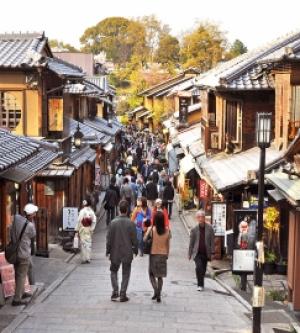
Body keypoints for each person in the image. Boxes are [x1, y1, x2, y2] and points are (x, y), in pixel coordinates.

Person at [106, 200, 138, 302]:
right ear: (127, 210)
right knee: (126, 273)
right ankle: (123, 293)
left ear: (119, 209)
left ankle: (115, 291)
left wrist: (108, 250)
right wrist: (136, 250)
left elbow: (109, 239)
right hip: (127, 252)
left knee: (113, 271)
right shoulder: (131, 223)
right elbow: (134, 239)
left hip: (115, 251)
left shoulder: (113, 223)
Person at [10, 203, 37, 306]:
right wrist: (31, 222)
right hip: (24, 253)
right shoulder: (30, 225)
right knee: (21, 275)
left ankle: (21, 292)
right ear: (30, 214)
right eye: (34, 213)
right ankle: (17, 299)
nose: (35, 214)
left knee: (18, 273)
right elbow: (33, 234)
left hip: (15, 252)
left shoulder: (16, 219)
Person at [144, 211, 170, 303]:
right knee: (160, 276)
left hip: (153, 254)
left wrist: (146, 231)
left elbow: (144, 239)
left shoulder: (152, 229)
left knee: (151, 274)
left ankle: (156, 291)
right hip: (163, 255)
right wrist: (167, 254)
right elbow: (168, 244)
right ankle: (158, 293)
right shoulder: (167, 230)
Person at [188, 210, 215, 291]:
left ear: (204, 218)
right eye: (199, 217)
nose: (200, 219)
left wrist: (212, 252)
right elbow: (191, 243)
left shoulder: (210, 228)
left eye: (202, 217)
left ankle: (200, 281)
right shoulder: (194, 229)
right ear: (197, 218)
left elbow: (212, 241)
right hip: (197, 253)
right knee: (199, 267)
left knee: (203, 269)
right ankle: (200, 285)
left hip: (206, 252)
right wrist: (189, 253)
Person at [75, 199, 97, 264]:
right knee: (88, 243)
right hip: (89, 229)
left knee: (83, 244)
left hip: (82, 229)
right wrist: (92, 229)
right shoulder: (91, 212)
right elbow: (94, 221)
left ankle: (84, 258)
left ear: (84, 204)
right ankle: (88, 258)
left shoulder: (82, 211)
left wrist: (76, 230)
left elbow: (79, 221)